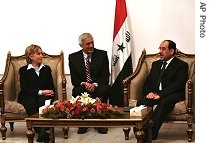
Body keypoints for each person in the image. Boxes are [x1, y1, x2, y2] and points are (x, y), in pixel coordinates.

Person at [136, 40, 188, 142]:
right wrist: (149, 93)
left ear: (171, 51)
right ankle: (139, 130)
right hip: (155, 94)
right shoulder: (156, 64)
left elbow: (178, 85)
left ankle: (150, 135)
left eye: (163, 49)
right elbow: (148, 82)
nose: (160, 51)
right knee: (141, 102)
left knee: (164, 103)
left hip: (173, 94)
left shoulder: (181, 65)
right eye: (159, 48)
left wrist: (160, 95)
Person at [68, 33, 110, 134]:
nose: (91, 46)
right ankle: (83, 123)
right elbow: (74, 80)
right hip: (83, 86)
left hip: (98, 85)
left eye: (92, 42)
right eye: (88, 44)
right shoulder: (73, 57)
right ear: (81, 45)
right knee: (77, 90)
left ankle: (99, 123)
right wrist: (84, 83)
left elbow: (105, 77)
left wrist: (94, 84)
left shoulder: (102, 55)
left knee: (104, 89)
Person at [18, 44, 55, 143]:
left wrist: (50, 92)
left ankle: (42, 132)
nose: (42, 56)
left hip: (44, 95)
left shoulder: (46, 69)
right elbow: (25, 88)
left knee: (43, 102)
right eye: (39, 54)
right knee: (31, 103)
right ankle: (42, 131)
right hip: (27, 95)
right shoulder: (23, 70)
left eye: (41, 53)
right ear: (31, 56)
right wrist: (41, 92)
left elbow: (51, 86)